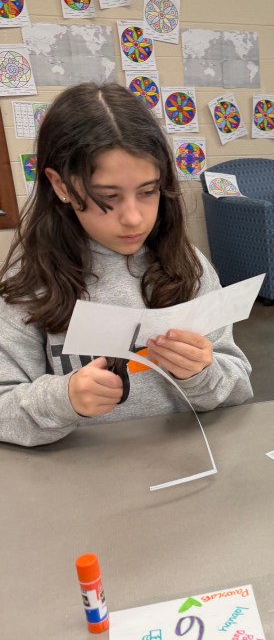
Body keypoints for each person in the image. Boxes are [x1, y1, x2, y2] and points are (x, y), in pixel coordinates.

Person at [0, 82, 253, 447]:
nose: (134, 218)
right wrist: (64, 399)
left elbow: (238, 385)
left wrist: (202, 373)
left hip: (186, 459)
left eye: (148, 191)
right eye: (108, 197)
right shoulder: (27, 284)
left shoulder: (187, 265)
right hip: (78, 471)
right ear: (61, 185)